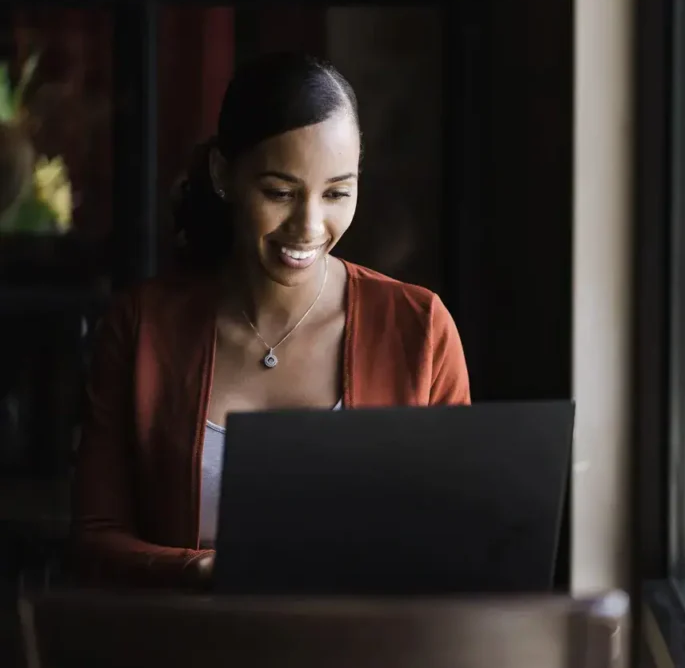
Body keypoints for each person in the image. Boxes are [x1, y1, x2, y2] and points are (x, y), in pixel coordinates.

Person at [72, 52, 471, 589]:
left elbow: (460, 535)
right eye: (279, 192)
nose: (309, 225)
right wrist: (204, 570)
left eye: (336, 193)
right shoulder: (141, 327)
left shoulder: (419, 328)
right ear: (222, 173)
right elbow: (97, 537)